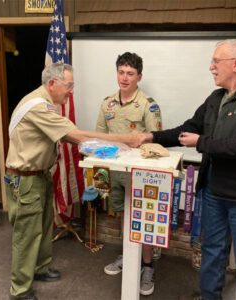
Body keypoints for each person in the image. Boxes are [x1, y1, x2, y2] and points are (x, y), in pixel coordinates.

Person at [137, 39, 236, 300]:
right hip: (215, 192)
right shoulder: (216, 99)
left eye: (216, 61)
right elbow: (189, 128)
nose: (211, 67)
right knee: (212, 252)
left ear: (235, 64)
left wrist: (201, 143)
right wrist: (151, 137)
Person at [4, 62, 140, 300]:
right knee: (27, 235)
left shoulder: (46, 103)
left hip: (40, 175)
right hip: (25, 181)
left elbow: (71, 138)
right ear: (53, 83)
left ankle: (39, 269)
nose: (71, 91)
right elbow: (77, 136)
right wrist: (124, 139)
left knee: (45, 227)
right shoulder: (38, 107)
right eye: (69, 86)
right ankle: (20, 290)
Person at [96, 52, 162, 296]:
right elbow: (98, 139)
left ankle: (147, 266)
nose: (124, 78)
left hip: (139, 174)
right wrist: (99, 175)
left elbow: (154, 142)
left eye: (130, 74)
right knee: (122, 216)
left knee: (142, 221)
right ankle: (127, 255)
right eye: (121, 72)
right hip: (113, 173)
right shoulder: (107, 103)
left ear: (139, 77)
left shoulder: (148, 104)